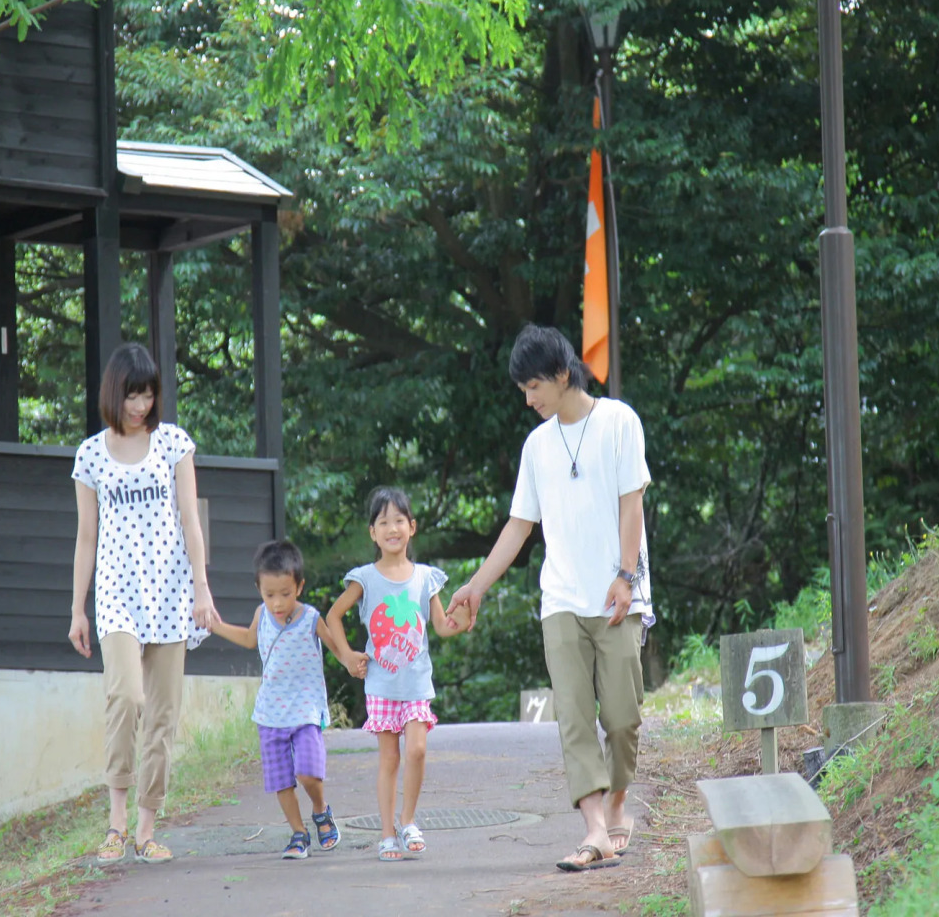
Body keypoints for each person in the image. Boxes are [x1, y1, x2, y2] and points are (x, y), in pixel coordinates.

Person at [447, 325, 653, 873]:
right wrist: (476, 585)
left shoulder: (618, 422)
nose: (528, 399)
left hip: (617, 595)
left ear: (563, 374)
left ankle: (617, 805)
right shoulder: (537, 446)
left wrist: (625, 575)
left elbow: (631, 504)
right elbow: (519, 526)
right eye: (523, 389)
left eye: (533, 386)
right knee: (574, 718)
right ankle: (594, 830)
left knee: (623, 718)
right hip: (560, 599)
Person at [68, 342, 219, 865]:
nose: (140, 405)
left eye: (148, 395)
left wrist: (202, 587)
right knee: (126, 698)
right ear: (115, 393)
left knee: (162, 716)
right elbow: (86, 538)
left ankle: (146, 829)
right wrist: (77, 609)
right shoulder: (91, 455)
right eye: (132, 395)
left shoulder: (173, 443)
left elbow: (190, 520)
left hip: (171, 593)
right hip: (117, 594)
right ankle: (114, 824)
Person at [326, 486, 465, 861]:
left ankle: (408, 820)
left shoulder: (425, 577)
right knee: (389, 759)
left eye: (399, 520)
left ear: (412, 527)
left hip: (417, 683)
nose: (392, 528)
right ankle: (387, 833)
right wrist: (347, 656)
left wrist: (463, 620)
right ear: (372, 532)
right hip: (382, 684)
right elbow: (333, 616)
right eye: (383, 522)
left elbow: (441, 625)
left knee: (417, 750)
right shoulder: (364, 578)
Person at [209, 539, 360, 859]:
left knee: (308, 773)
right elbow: (249, 639)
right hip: (270, 713)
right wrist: (215, 626)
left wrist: (352, 661)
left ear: (299, 586)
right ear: (259, 590)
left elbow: (337, 648)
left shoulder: (311, 617)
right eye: (269, 595)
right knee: (281, 781)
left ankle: (320, 810)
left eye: (285, 594)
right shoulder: (261, 615)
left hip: (305, 709)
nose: (277, 603)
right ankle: (298, 833)